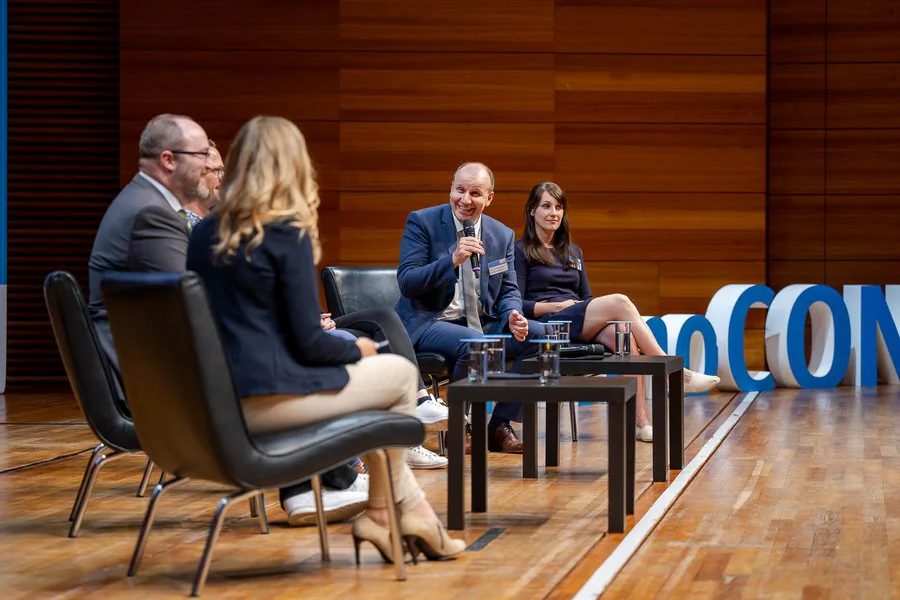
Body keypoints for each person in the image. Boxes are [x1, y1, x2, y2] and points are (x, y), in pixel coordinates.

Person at [186, 115, 465, 562]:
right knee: (394, 374)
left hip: (213, 402)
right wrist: (357, 347)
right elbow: (309, 344)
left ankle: (403, 512)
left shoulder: (202, 234)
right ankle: (386, 513)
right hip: (269, 403)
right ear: (296, 167)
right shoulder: (284, 232)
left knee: (382, 386)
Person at [87, 114, 370, 528]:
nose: (210, 166)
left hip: (158, 370)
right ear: (169, 159)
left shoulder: (152, 210)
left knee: (293, 357)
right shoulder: (153, 217)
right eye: (202, 155)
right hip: (159, 384)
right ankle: (364, 491)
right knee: (315, 363)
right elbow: (196, 316)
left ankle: (322, 482)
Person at [514, 182, 722, 441]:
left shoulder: (573, 251)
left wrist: (582, 310)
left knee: (626, 339)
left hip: (579, 319)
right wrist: (556, 306)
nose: (553, 213)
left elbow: (587, 298)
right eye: (546, 206)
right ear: (532, 210)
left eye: (558, 207)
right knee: (621, 302)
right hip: (550, 325)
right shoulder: (520, 251)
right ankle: (676, 373)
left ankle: (641, 422)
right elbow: (517, 304)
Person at [394, 162, 543, 453]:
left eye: (475, 193)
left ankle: (497, 426)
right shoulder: (422, 222)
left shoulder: (502, 235)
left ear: (489, 198)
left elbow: (509, 289)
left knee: (539, 338)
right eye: (459, 190)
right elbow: (407, 281)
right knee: (476, 345)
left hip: (481, 321)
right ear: (451, 188)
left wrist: (513, 314)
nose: (465, 200)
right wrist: (451, 260)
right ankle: (458, 427)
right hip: (429, 320)